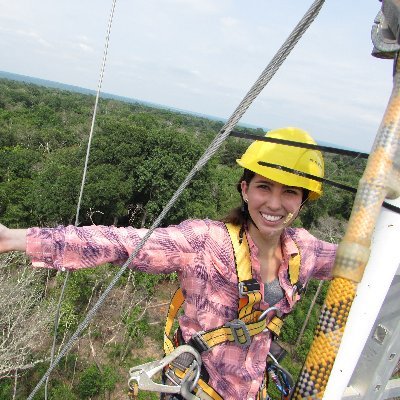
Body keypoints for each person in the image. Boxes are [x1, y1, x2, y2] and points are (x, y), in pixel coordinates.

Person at [0, 127, 337, 400]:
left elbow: (366, 261)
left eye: (291, 192)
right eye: (265, 187)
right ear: (246, 190)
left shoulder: (304, 250)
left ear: (303, 201)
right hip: (195, 389)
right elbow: (120, 243)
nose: (275, 203)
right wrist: (15, 239)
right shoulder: (206, 242)